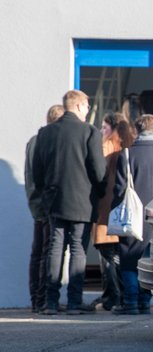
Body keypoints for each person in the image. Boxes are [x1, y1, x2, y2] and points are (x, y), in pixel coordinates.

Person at [32, 90, 106, 315]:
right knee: (77, 249)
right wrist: (100, 192)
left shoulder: (45, 133)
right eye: (86, 107)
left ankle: (50, 302)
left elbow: (37, 170)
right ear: (80, 106)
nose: (87, 111)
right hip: (82, 201)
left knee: (55, 249)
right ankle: (74, 302)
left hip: (54, 200)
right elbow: (98, 170)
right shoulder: (89, 132)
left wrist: (46, 192)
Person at [112, 114, 153, 315]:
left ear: (136, 131)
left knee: (129, 260)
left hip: (132, 215)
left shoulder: (127, 155)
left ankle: (130, 302)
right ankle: (145, 301)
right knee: (147, 260)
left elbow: (119, 188)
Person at [91, 113, 135, 311]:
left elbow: (98, 174)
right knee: (120, 254)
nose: (102, 131)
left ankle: (112, 295)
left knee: (107, 254)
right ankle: (120, 294)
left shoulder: (106, 145)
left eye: (104, 127)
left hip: (105, 207)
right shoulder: (130, 145)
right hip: (122, 208)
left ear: (113, 128)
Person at [25, 104, 64, 313]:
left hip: (36, 202)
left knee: (38, 251)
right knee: (46, 251)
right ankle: (42, 300)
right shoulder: (46, 141)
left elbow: (29, 174)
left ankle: (36, 300)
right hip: (45, 204)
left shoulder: (33, 141)